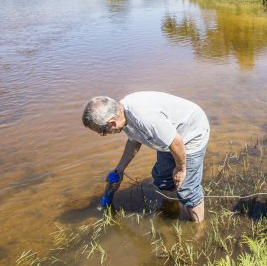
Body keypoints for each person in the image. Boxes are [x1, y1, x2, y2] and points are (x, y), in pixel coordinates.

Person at [82, 92, 210, 222]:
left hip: (191, 132)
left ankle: (198, 231)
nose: (105, 134)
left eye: (103, 132)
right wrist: (120, 169)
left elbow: (176, 141)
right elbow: (134, 140)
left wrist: (181, 168)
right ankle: (171, 208)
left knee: (187, 189)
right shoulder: (121, 114)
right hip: (168, 137)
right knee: (163, 179)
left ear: (112, 122)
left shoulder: (144, 117)